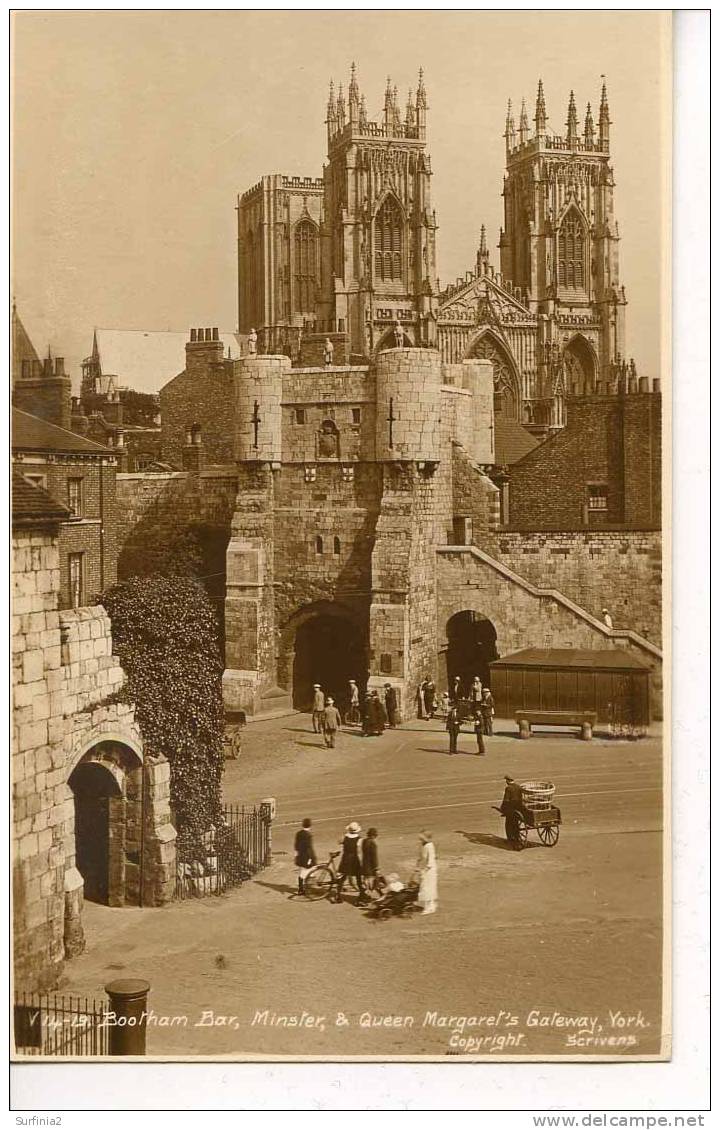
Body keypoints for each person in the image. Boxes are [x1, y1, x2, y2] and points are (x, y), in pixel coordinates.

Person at [333, 821, 365, 903]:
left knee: (342, 877)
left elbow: (339, 841)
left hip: (345, 859)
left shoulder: (345, 837)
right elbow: (358, 852)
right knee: (358, 878)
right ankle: (362, 894)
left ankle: (338, 895)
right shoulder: (359, 839)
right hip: (354, 859)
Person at [500, 775, 527, 850]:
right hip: (519, 808)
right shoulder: (518, 787)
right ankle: (515, 837)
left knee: (508, 822)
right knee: (515, 823)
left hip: (512, 809)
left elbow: (506, 800)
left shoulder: (508, 788)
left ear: (508, 781)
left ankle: (511, 839)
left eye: (506, 780)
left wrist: (502, 808)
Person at [415, 830, 438, 915]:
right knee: (428, 887)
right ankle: (431, 905)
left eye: (421, 839)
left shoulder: (429, 846)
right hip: (427, 868)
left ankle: (428, 907)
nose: (420, 840)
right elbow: (422, 857)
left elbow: (430, 861)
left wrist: (424, 870)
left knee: (427, 887)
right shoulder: (425, 845)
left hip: (429, 870)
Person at [293, 818, 316, 897]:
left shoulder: (299, 833)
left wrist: (296, 855)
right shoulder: (308, 835)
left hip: (300, 856)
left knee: (302, 872)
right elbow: (309, 848)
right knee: (311, 871)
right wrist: (311, 858)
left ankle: (301, 889)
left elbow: (296, 845)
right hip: (307, 857)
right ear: (310, 825)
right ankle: (307, 888)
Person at [361, 827, 381, 899]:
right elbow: (374, 857)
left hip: (364, 864)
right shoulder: (373, 844)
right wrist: (376, 867)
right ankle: (368, 895)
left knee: (366, 880)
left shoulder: (364, 841)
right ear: (374, 835)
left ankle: (366, 894)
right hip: (370, 866)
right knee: (372, 881)